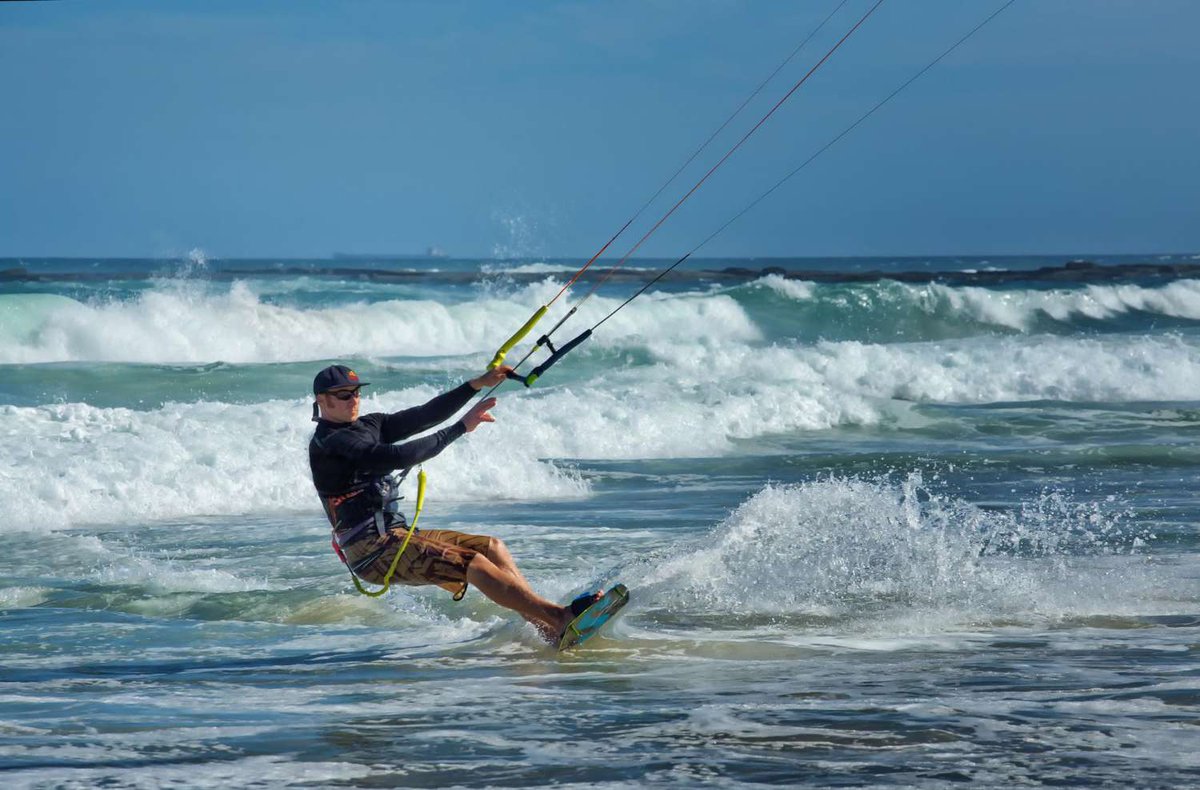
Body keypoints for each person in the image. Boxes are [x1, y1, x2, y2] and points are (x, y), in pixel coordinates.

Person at [308, 364, 598, 642]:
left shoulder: (369, 425)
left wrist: (476, 384)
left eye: (357, 392)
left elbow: (424, 416)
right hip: (370, 550)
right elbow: (396, 457)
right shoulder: (330, 443)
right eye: (344, 395)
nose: (354, 400)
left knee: (490, 547)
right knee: (472, 563)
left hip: (396, 535)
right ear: (322, 400)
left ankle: (546, 629)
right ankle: (560, 617)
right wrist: (460, 428)